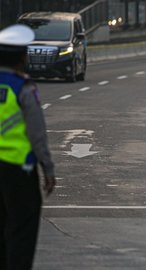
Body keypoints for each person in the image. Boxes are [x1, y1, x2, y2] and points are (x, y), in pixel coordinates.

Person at [0, 24, 56, 269]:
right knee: (22, 230)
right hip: (18, 171)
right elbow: (37, 134)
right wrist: (48, 169)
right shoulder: (23, 87)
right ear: (23, 57)